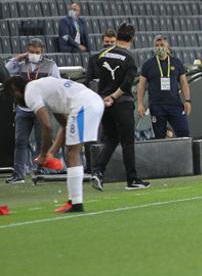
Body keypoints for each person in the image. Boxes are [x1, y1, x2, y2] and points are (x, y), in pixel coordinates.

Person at [4, 76, 104, 213]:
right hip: (94, 101)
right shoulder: (44, 89)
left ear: (16, 88)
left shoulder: (30, 93)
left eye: (12, 95)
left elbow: (47, 126)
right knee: (72, 151)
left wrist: (44, 154)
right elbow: (65, 125)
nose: (15, 100)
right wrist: (51, 153)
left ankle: (76, 204)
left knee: (72, 153)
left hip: (84, 105)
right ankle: (73, 201)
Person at [88, 23, 150, 191]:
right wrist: (113, 97)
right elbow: (127, 84)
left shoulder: (102, 55)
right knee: (127, 142)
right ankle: (132, 179)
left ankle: (98, 171)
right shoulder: (129, 57)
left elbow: (95, 79)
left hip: (104, 104)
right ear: (132, 39)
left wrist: (104, 98)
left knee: (111, 139)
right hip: (121, 103)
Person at [4, 38, 60, 184]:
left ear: (42, 52)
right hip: (23, 108)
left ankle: (41, 170)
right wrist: (17, 58)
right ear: (27, 51)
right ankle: (19, 174)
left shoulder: (51, 65)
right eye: (31, 52)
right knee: (20, 142)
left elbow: (57, 85)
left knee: (42, 141)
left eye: (37, 52)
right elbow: (5, 70)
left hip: (41, 108)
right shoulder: (21, 64)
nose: (34, 54)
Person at [136, 35, 192, 140]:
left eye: (162, 45)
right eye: (156, 45)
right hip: (156, 106)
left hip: (175, 104)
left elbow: (184, 82)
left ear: (168, 46)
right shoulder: (148, 64)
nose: (159, 47)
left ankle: (185, 156)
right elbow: (141, 85)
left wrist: (188, 100)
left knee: (184, 132)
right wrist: (140, 103)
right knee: (159, 136)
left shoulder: (176, 62)